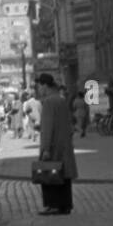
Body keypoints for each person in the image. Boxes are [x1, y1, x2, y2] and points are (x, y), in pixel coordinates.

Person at [36, 72, 77, 215]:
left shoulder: (48, 102)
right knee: (64, 176)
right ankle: (66, 205)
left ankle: (52, 205)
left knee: (49, 175)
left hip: (53, 147)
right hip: (65, 145)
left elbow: (47, 127)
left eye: (39, 86)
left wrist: (45, 148)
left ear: (45, 86)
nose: (39, 89)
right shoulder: (61, 100)